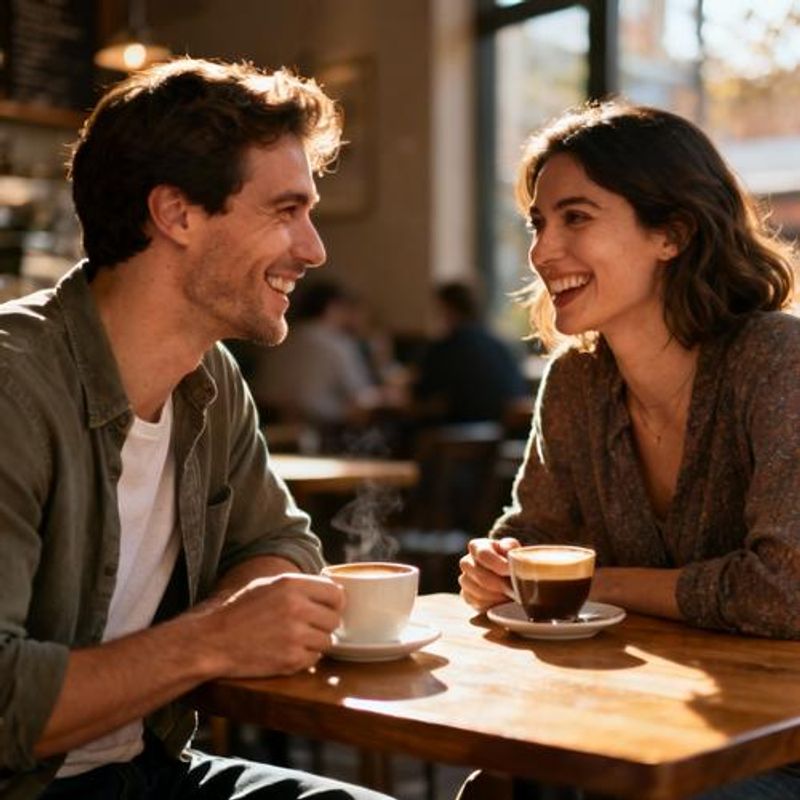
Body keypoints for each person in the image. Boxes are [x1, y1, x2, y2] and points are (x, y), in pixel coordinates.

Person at [0, 57, 394, 800]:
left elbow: (284, 545)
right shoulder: (13, 390)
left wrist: (232, 621)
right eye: (286, 211)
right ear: (176, 214)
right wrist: (213, 640)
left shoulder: (210, 381)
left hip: (147, 771)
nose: (314, 249)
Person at [458, 100, 800, 799]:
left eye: (575, 218)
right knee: (493, 788)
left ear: (671, 233)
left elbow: (786, 592)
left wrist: (587, 587)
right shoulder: (577, 382)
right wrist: (496, 569)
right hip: (636, 717)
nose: (541, 251)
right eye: (538, 223)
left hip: (776, 740)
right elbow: (531, 538)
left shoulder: (777, 361)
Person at [250, 279, 405, 452]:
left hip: (267, 432)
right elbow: (360, 396)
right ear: (333, 307)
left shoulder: (281, 340)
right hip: (323, 434)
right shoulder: (337, 344)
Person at [413, 282, 529, 426]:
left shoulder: (444, 349)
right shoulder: (500, 347)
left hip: (453, 434)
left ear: (447, 309)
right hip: (498, 437)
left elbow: (420, 393)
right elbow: (517, 393)